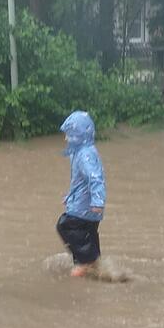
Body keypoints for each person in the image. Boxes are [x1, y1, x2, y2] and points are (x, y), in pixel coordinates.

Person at [56, 111, 106, 277]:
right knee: (88, 233)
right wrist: (70, 196)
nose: (66, 139)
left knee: (65, 225)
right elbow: (80, 181)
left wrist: (98, 202)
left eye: (69, 135)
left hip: (85, 208)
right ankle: (93, 262)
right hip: (85, 206)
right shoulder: (82, 151)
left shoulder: (85, 155)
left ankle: (86, 262)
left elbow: (95, 178)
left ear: (79, 136)